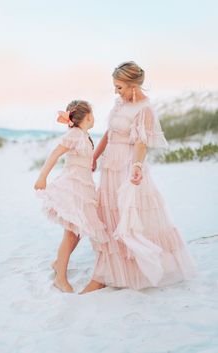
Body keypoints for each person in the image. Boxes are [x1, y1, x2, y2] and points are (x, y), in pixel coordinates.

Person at [81, 61, 196, 293]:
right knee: (109, 215)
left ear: (133, 85)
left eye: (120, 87)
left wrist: (136, 166)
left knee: (129, 218)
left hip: (126, 166)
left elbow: (141, 142)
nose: (116, 91)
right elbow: (109, 132)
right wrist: (94, 156)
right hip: (109, 166)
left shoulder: (144, 109)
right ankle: (108, 271)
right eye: (115, 87)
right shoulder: (119, 104)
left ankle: (128, 271)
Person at [34, 100, 107, 293]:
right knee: (71, 233)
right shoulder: (74, 134)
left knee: (77, 232)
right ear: (88, 116)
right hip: (73, 187)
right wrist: (42, 177)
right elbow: (55, 154)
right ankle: (60, 277)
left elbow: (81, 157)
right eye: (92, 114)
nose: (94, 117)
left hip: (84, 188)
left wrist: (90, 163)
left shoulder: (84, 135)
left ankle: (59, 262)